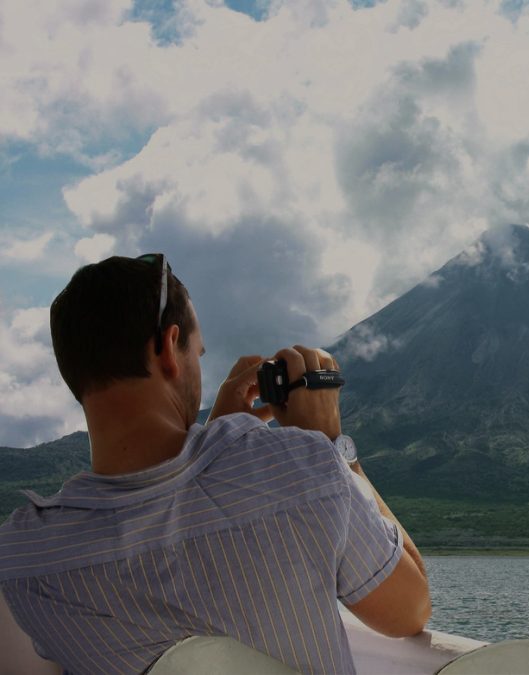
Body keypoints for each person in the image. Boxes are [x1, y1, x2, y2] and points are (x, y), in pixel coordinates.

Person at [0, 254, 430, 674]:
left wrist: (217, 437)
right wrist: (335, 447)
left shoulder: (23, 557)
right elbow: (409, 611)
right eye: (197, 354)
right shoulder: (303, 469)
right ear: (169, 348)